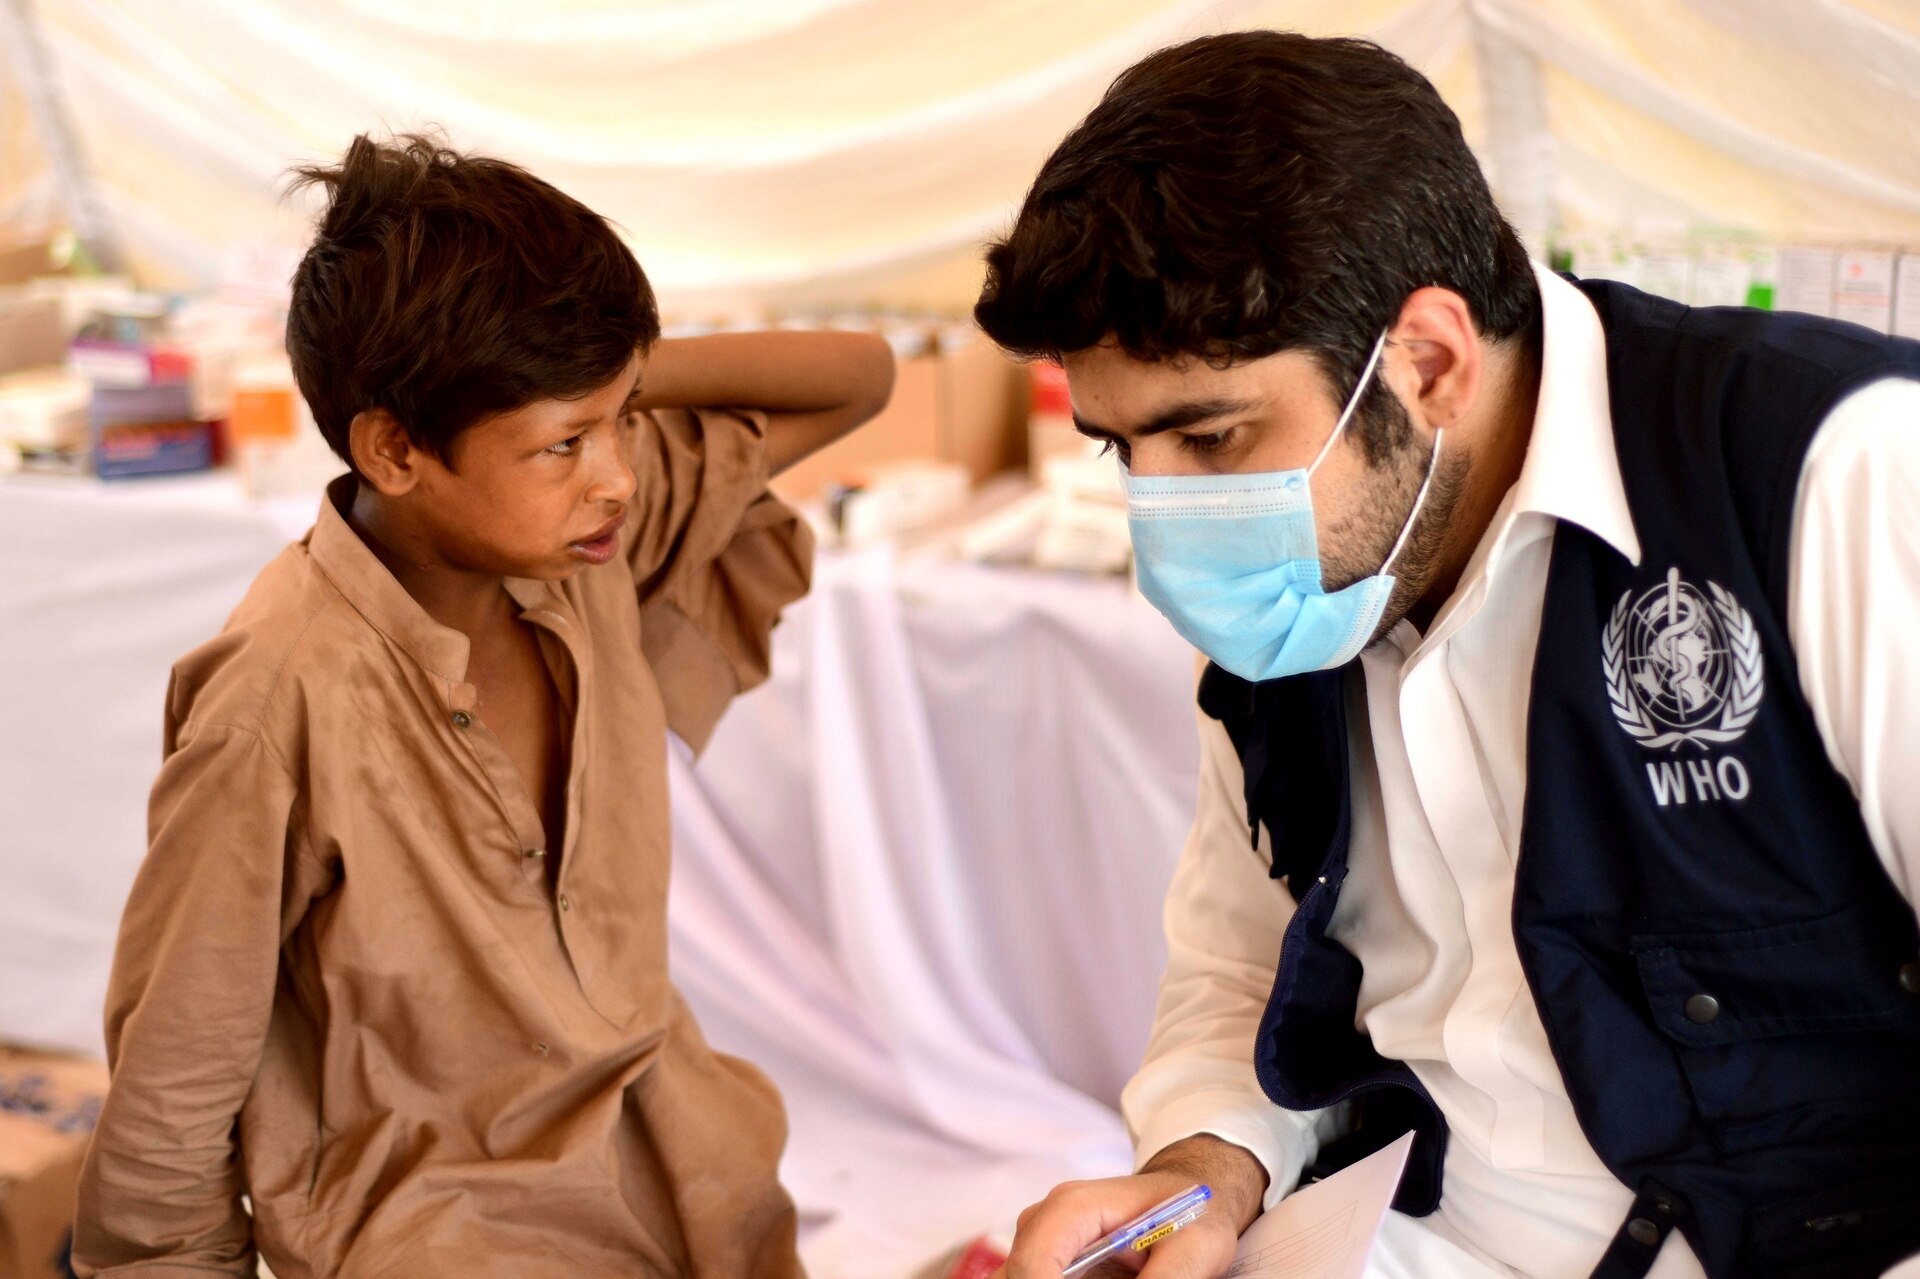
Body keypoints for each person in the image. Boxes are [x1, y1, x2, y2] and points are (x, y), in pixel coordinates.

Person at [974, 30, 1920, 1279]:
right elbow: (1241, 966)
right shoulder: (1293, 602)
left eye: (1210, 439)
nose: (1166, 517)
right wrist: (1201, 1173)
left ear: (1426, 362)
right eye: (1120, 448)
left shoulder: (1835, 475)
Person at [72, 134, 893, 1278]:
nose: (617, 474)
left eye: (624, 419)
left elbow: (862, 376)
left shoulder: (584, 544)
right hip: (450, 1241)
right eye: (565, 443)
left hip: (697, 1196)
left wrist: (595, 376)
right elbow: (173, 1094)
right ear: (395, 450)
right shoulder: (276, 698)